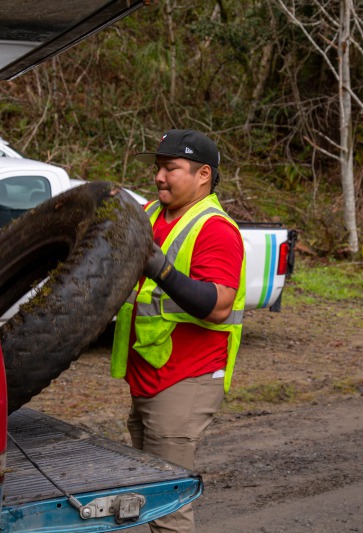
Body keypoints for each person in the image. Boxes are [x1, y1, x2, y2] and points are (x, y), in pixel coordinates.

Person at [111, 129, 245, 533]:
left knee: (169, 510)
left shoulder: (216, 229)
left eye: (171, 168)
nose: (159, 176)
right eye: (158, 168)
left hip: (186, 378)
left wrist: (161, 268)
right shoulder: (152, 213)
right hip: (150, 373)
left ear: (203, 174)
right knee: (152, 493)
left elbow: (218, 306)